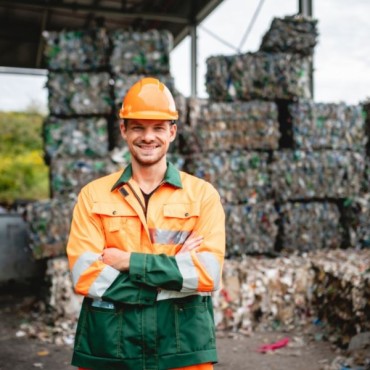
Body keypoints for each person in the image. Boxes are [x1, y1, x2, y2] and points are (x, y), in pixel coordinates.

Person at [66, 77, 225, 370]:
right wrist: (174, 269)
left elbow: (207, 274)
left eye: (158, 128)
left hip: (182, 344)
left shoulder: (202, 195)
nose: (148, 137)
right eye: (138, 127)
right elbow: (85, 274)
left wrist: (128, 261)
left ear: (172, 132)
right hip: (111, 346)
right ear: (124, 130)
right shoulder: (94, 195)